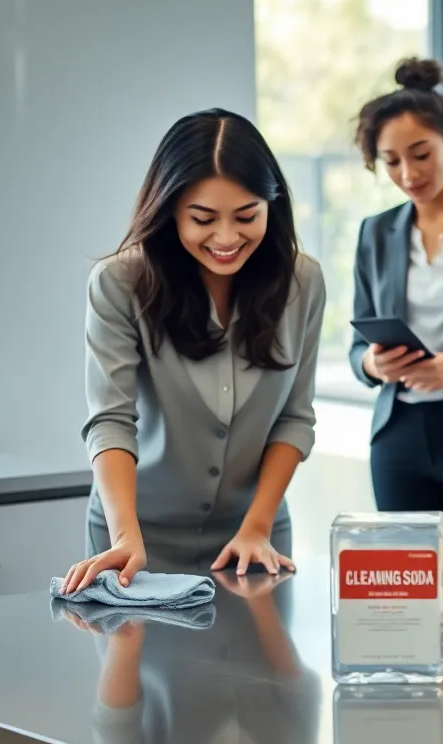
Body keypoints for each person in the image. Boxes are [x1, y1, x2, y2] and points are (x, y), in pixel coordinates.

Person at [60, 108, 326, 593]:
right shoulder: (121, 284)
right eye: (203, 219)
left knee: (267, 672)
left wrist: (257, 525)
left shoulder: (302, 281)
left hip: (254, 538)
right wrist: (125, 534)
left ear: (273, 205)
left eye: (247, 216)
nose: (226, 238)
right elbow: (112, 420)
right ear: (170, 212)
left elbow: (295, 417)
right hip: (136, 542)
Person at [347, 58, 443, 534]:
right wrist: (372, 364)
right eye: (391, 161)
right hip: (397, 436)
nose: (408, 173)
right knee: (406, 586)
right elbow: (355, 346)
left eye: (420, 154)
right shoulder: (376, 233)